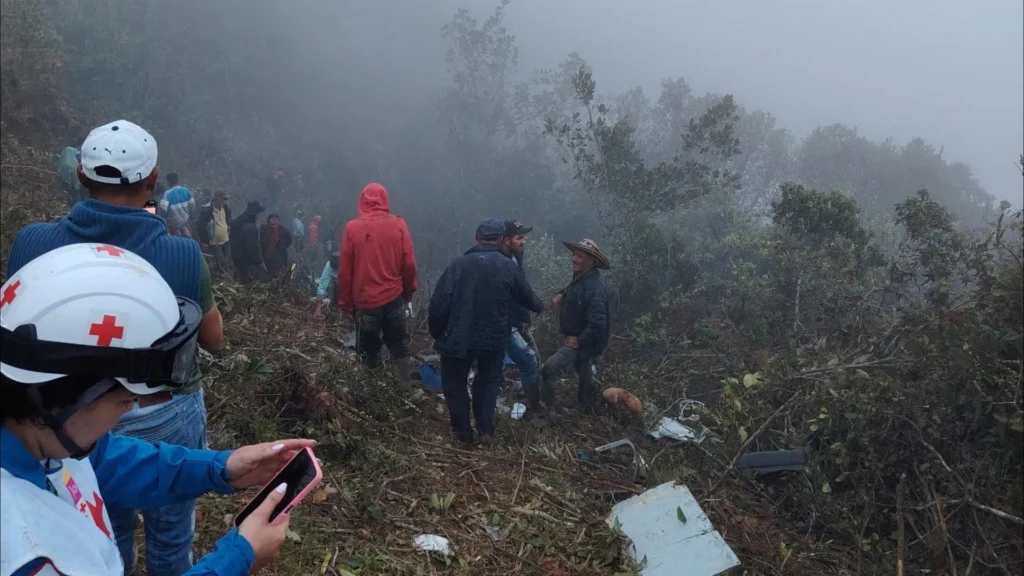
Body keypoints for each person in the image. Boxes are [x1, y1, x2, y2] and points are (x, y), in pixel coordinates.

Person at [0, 243, 315, 576]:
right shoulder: (26, 556)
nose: (127, 412)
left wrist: (221, 467)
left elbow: (107, 462)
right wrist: (237, 559)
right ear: (65, 397)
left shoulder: (41, 440)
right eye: (124, 400)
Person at [4, 119, 226, 575]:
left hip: (67, 413)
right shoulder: (182, 255)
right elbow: (214, 340)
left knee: (103, 517)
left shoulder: (33, 242)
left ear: (81, 176)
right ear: (152, 181)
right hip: (165, 411)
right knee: (170, 532)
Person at [428, 218, 544, 446]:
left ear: (476, 238)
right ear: (501, 239)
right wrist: (542, 306)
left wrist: (438, 332)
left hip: (459, 337)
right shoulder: (508, 266)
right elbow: (530, 300)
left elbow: (439, 304)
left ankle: (462, 434)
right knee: (488, 381)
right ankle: (485, 430)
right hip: (494, 339)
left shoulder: (458, 264)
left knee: (455, 383)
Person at [339, 183, 418, 388]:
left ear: (362, 201)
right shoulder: (398, 224)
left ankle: (373, 395)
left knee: (369, 350)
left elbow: (345, 272)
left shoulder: (352, 228)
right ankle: (404, 390)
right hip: (394, 298)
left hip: (365, 303)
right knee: (398, 345)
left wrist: (346, 303)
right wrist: (408, 292)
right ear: (385, 200)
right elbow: (408, 263)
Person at [538, 238, 611, 422]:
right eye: (574, 255)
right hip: (579, 338)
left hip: (584, 340)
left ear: (591, 261)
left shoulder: (595, 288)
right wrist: (562, 294)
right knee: (584, 373)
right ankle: (585, 410)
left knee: (550, 368)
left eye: (579, 256)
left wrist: (578, 341)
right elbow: (573, 287)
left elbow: (598, 323)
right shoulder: (581, 277)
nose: (574, 259)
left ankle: (545, 411)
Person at [500, 220, 541, 402]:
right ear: (506, 239)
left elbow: (521, 288)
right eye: (519, 237)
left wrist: (524, 316)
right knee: (528, 360)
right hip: (504, 324)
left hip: (516, 320)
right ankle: (532, 407)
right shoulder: (497, 262)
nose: (523, 241)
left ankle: (528, 395)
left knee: (533, 359)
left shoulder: (517, 256)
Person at [198, 191, 233, 276]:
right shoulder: (207, 210)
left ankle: (219, 277)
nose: (225, 201)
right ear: (216, 198)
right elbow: (200, 227)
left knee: (227, 262)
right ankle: (217, 278)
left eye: (226, 199)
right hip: (215, 243)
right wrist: (208, 241)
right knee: (221, 262)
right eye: (223, 199)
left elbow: (228, 218)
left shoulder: (226, 208)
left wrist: (228, 225)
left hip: (226, 240)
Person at [231, 201, 267, 284]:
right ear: (256, 213)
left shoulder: (239, 221)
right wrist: (260, 262)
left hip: (237, 257)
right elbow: (253, 248)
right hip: (246, 260)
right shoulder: (250, 227)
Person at [158, 173, 196, 238]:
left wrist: (164, 218)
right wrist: (189, 214)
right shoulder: (186, 190)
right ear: (178, 180)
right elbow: (193, 204)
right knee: (186, 233)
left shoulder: (167, 194)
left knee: (176, 237)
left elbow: (163, 209)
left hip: (173, 222)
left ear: (168, 182)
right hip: (185, 220)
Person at [260, 213, 292, 278]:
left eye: (276, 225)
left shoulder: (285, 232)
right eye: (272, 225)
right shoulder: (263, 230)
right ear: (268, 223)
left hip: (279, 259)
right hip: (266, 258)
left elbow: (288, 242)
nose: (274, 227)